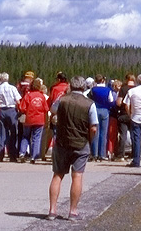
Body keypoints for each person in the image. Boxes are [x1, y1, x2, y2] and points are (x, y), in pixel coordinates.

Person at [49, 76, 97, 220]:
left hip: (62, 142)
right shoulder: (89, 104)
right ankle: (73, 211)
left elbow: (52, 110)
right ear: (83, 87)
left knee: (57, 175)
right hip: (81, 143)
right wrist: (89, 140)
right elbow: (93, 127)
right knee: (77, 176)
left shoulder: (62, 100)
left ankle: (52, 210)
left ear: (71, 85)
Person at [0, 73, 22, 162]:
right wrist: (19, 110)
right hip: (11, 109)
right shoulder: (12, 88)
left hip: (1, 110)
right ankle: (12, 155)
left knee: (1, 133)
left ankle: (0, 154)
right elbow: (18, 100)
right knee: (13, 132)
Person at [18, 78, 49, 163]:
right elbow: (46, 108)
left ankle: (22, 153)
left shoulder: (28, 95)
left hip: (29, 119)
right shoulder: (42, 96)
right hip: (39, 119)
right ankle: (34, 156)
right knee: (37, 138)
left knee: (26, 136)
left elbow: (22, 107)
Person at [124, 74, 141, 167]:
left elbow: (126, 104)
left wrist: (130, 114)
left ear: (137, 82)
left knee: (136, 140)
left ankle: (136, 161)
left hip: (135, 117)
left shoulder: (131, 91)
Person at [88, 75, 115, 161]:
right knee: (104, 133)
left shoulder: (93, 90)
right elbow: (111, 101)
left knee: (95, 131)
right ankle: (102, 154)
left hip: (95, 110)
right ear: (103, 80)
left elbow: (89, 99)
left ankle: (94, 153)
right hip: (104, 110)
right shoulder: (108, 90)